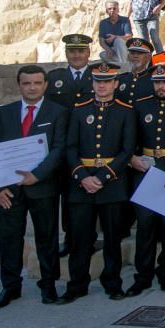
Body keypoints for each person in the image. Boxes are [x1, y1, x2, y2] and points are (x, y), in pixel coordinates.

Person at [0, 65, 68, 309]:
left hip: (42, 186)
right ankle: (10, 287)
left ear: (45, 85)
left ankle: (48, 284)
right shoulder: (5, 113)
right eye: (26, 83)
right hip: (9, 189)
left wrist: (37, 175)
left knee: (47, 237)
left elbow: (59, 149)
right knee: (10, 238)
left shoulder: (58, 112)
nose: (31, 87)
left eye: (36, 83)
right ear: (19, 85)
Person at [58, 62, 136, 304]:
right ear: (92, 83)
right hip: (82, 183)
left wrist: (102, 177)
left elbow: (127, 150)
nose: (102, 86)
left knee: (112, 238)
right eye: (98, 81)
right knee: (80, 238)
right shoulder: (79, 110)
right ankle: (77, 284)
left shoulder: (126, 111)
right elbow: (70, 147)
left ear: (115, 84)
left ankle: (112, 283)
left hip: (111, 183)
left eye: (107, 81)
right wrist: (83, 176)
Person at [125, 65, 165, 296]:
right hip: (146, 170)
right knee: (145, 226)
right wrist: (131, 158)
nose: (161, 86)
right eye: (157, 82)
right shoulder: (140, 105)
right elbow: (130, 137)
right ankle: (143, 275)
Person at [46, 33, 94, 256]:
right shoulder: (55, 78)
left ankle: (91, 237)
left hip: (92, 144)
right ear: (66, 53)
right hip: (64, 145)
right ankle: (69, 237)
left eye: (81, 51)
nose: (77, 55)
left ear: (88, 53)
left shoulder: (98, 75)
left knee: (93, 194)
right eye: (72, 51)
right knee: (68, 193)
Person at [98, 0, 132, 65]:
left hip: (124, 48)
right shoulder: (103, 23)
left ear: (118, 10)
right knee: (102, 54)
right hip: (112, 50)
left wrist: (115, 37)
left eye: (114, 8)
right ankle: (125, 62)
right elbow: (101, 41)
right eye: (109, 9)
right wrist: (108, 49)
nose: (112, 10)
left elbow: (129, 36)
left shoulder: (125, 20)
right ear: (106, 11)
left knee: (118, 41)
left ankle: (123, 67)